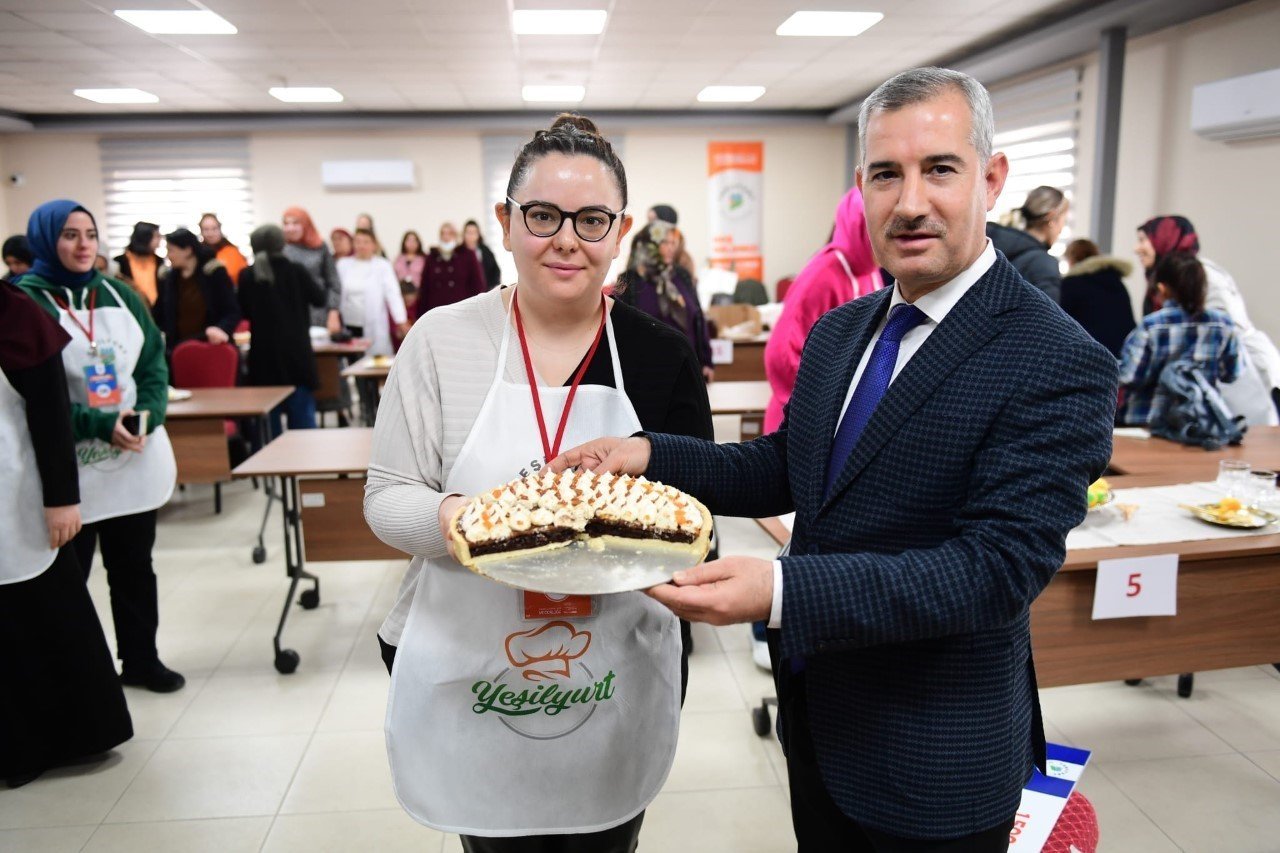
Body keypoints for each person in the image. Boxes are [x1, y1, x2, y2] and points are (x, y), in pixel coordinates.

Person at [552, 68, 1117, 852]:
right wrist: (649, 452)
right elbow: (792, 464)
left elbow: (994, 570)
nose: (910, 201)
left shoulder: (1056, 358)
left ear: (991, 179)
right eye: (887, 173)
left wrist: (779, 588)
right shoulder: (845, 330)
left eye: (940, 169)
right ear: (861, 189)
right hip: (822, 720)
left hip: (934, 758)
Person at [367, 113, 712, 853]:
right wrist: (466, 520)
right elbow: (387, 496)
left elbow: (697, 507)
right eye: (543, 214)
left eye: (592, 220)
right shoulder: (441, 340)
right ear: (506, 221)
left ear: (620, 231)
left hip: (616, 658)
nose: (566, 239)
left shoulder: (659, 355)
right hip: (471, 654)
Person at [15, 199, 184, 694]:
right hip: (68, 471)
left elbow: (154, 363)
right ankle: (76, 681)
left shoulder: (120, 294)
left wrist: (147, 415)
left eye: (89, 234)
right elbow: (26, 401)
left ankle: (141, 659)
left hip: (131, 457)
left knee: (134, 568)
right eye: (69, 235)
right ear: (46, 240)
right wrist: (96, 422)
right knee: (66, 582)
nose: (83, 244)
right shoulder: (24, 303)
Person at [1, 278, 134, 789]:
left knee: (40, 617)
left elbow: (51, 414)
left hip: (15, 494)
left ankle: (54, 740)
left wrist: (62, 498)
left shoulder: (13, 313)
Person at [764, 186, 885, 434]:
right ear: (860, 225)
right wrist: (828, 397)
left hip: (844, 419)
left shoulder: (872, 273)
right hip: (804, 421)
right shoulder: (824, 274)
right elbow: (781, 354)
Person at [1137, 214, 1280, 420]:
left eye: (1143, 240)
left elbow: (1226, 329)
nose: (1137, 248)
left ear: (1163, 239)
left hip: (1247, 380)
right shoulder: (1166, 278)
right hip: (1215, 383)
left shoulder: (1202, 275)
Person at [1118, 252, 1239, 427]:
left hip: (1148, 421)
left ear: (1162, 288)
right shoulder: (1223, 324)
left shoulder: (1152, 326)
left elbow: (1131, 376)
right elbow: (1231, 373)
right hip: (1200, 424)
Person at [238, 224, 327, 436]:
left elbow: (245, 311)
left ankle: (272, 468)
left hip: (264, 359)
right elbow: (320, 298)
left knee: (269, 429)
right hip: (296, 357)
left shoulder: (247, 275)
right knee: (304, 430)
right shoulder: (296, 270)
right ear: (281, 244)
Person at [617, 220, 714, 382]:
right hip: (646, 374)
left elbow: (698, 317)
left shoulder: (681, 276)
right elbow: (623, 330)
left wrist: (706, 361)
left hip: (687, 369)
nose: (671, 248)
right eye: (664, 242)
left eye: (672, 242)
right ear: (649, 244)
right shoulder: (630, 281)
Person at [153, 227, 240, 356]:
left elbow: (232, 311)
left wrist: (221, 328)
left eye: (171, 250)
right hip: (178, 350)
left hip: (211, 347)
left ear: (187, 250)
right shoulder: (168, 278)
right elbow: (158, 314)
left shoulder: (213, 272)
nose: (168, 255)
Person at [985, 185, 1067, 302]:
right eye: (1064, 220)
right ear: (1052, 218)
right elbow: (1045, 318)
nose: (1061, 230)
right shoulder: (1043, 263)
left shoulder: (989, 244)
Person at [337, 228, 409, 355]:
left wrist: (401, 320)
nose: (361, 245)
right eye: (358, 242)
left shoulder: (382, 266)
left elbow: (393, 294)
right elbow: (337, 293)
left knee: (372, 362)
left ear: (374, 245)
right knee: (350, 361)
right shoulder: (343, 265)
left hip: (374, 325)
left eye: (366, 242)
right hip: (349, 324)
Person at [1059, 238, 1135, 358]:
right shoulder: (1116, 281)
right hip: (1121, 354)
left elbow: (1061, 323)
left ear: (1071, 260)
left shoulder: (1071, 284)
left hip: (1088, 355)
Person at [282, 206, 342, 333]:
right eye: (286, 223)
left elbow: (333, 282)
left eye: (295, 223)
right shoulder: (280, 248)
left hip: (318, 314)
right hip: (288, 313)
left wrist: (333, 312)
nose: (290, 228)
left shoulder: (320, 247)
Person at [413, 220, 485, 316]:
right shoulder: (431, 257)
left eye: (450, 233)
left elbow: (477, 285)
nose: (446, 237)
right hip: (436, 310)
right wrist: (420, 315)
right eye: (443, 233)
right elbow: (425, 288)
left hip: (461, 310)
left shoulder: (467, 255)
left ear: (456, 236)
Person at [114, 221, 163, 306]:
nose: (160, 240)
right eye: (157, 236)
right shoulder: (120, 262)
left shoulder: (159, 261)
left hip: (157, 313)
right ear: (145, 237)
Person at [198, 212, 247, 285]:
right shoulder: (196, 253)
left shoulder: (233, 251)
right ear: (201, 231)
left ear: (219, 229)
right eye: (206, 229)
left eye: (214, 228)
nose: (210, 233)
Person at [462, 218, 502, 289]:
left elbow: (495, 271)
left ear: (478, 234)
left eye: (474, 233)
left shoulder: (485, 251)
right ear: (464, 234)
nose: (471, 236)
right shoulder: (459, 253)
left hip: (485, 292)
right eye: (468, 232)